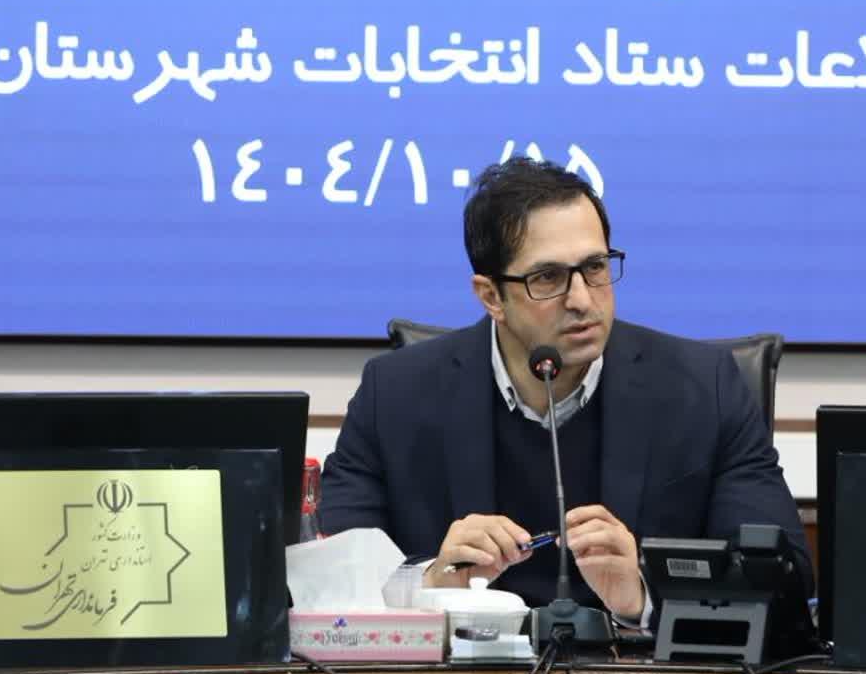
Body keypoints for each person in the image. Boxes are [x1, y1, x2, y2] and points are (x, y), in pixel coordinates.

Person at [321, 157, 810, 622]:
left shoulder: (704, 389)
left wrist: (643, 594)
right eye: (548, 277)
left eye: (595, 267)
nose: (582, 300)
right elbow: (325, 582)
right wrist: (431, 583)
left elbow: (787, 583)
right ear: (491, 296)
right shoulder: (395, 396)